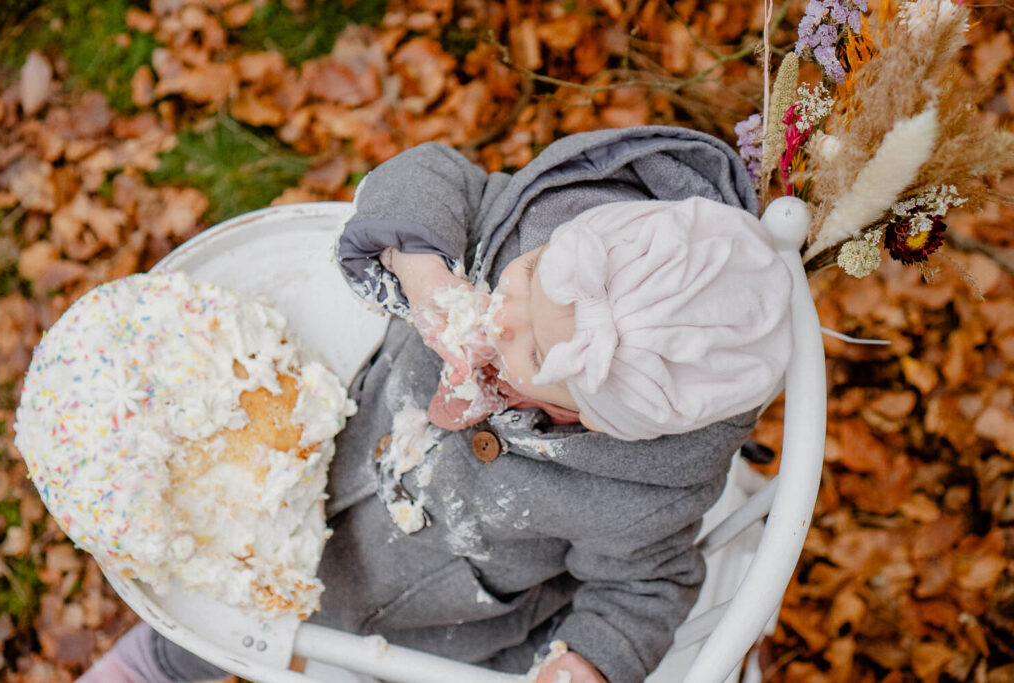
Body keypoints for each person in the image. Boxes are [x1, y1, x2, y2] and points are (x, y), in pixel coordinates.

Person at [78, 125, 793, 683]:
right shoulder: (535, 232)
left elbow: (647, 586)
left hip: (422, 613)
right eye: (533, 274)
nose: (506, 311)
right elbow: (426, 176)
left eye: (535, 355)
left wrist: (593, 658)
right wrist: (424, 271)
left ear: (594, 418)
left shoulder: (642, 494)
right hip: (327, 445)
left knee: (303, 617)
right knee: (219, 585)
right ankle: (165, 662)